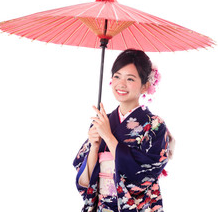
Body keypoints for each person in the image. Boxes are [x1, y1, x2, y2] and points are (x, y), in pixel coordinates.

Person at [73, 49, 174, 212]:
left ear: (145, 86)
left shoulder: (155, 126)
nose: (121, 84)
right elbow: (85, 182)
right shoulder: (102, 122)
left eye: (130, 79)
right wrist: (94, 146)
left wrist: (108, 136)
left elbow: (144, 177)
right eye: (117, 76)